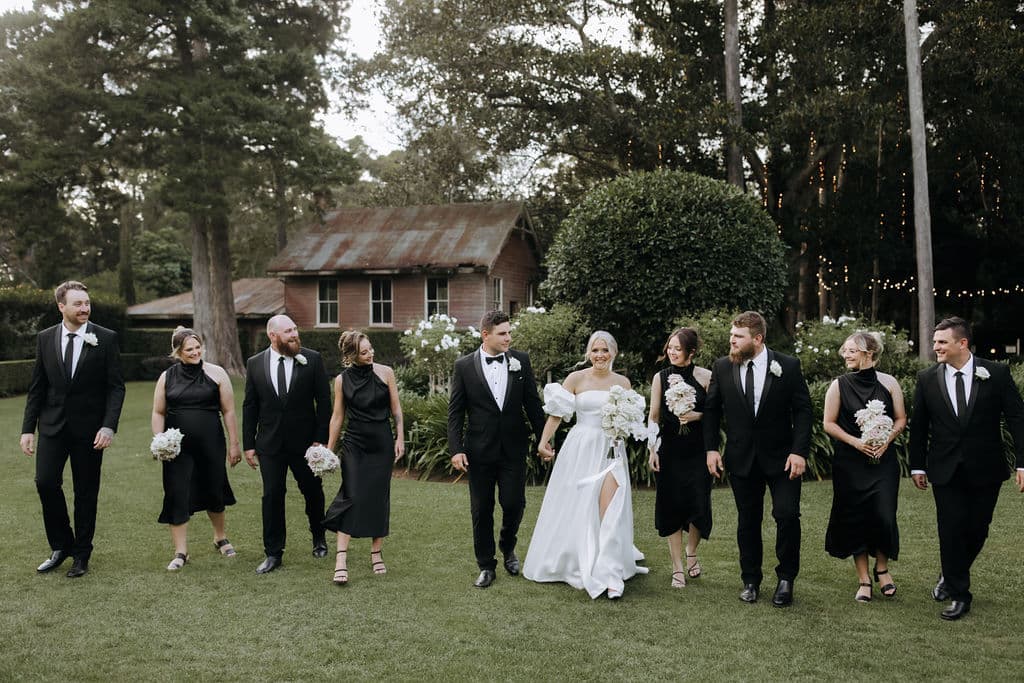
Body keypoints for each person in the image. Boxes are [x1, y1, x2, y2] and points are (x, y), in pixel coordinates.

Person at [909, 317, 1024, 620]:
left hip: (987, 466)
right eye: (935, 342)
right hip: (945, 468)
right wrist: (917, 465)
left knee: (978, 528)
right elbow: (919, 426)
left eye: (942, 342)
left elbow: (1017, 418)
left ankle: (949, 573)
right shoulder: (927, 378)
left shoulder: (996, 373)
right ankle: (960, 594)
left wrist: (1023, 462)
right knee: (950, 529)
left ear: (963, 343)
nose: (936, 348)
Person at [524, 331, 650, 599]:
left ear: (614, 352)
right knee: (577, 505)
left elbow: (633, 421)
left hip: (611, 450)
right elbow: (558, 414)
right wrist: (543, 442)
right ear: (588, 353)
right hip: (580, 448)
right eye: (595, 350)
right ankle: (575, 558)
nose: (600, 355)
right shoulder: (576, 378)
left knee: (610, 507)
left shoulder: (623, 382)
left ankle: (610, 571)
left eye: (605, 350)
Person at [704, 310, 812, 607]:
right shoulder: (723, 367)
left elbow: (803, 410)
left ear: (758, 338)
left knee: (787, 515)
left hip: (783, 458)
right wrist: (711, 448)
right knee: (747, 521)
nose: (732, 341)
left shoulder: (787, 366)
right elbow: (712, 410)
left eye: (738, 337)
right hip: (741, 458)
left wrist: (799, 451)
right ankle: (750, 580)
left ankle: (786, 579)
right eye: (732, 335)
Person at [20, 280, 125, 578]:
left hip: (90, 431)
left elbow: (116, 388)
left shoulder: (105, 338)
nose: (84, 308)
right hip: (52, 427)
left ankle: (81, 554)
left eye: (87, 303)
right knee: (45, 482)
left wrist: (108, 426)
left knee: (85, 492)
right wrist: (28, 429)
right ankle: (61, 544)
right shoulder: (45, 338)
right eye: (77, 304)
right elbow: (37, 388)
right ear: (61, 306)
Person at [448, 310, 546, 588]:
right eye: (503, 333)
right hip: (478, 451)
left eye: (509, 333)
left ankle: (508, 545)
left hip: (513, 448)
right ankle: (486, 565)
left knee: (514, 503)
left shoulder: (520, 361)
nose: (508, 338)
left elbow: (533, 406)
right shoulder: (464, 366)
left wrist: (543, 440)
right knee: (481, 509)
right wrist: (456, 449)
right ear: (485, 334)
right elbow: (455, 413)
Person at [243, 314, 332, 574]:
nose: (295, 335)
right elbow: (250, 405)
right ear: (273, 335)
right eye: (288, 331)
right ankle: (273, 553)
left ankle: (319, 537)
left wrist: (320, 439)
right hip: (269, 444)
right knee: (272, 495)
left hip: (306, 444)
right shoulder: (255, 363)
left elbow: (324, 402)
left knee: (313, 492)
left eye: (295, 329)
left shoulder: (312, 359)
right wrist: (249, 444)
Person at [822, 331, 906, 602]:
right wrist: (856, 443)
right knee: (856, 516)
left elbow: (900, 419)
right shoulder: (839, 385)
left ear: (869, 353)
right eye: (844, 350)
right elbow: (829, 423)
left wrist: (886, 440)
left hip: (884, 461)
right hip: (850, 464)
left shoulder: (889, 383)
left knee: (884, 513)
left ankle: (882, 568)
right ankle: (864, 579)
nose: (845, 355)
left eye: (851, 350)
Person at [151, 327, 242, 571]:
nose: (195, 352)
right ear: (178, 352)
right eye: (189, 349)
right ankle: (181, 551)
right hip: (177, 449)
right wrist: (159, 441)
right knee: (177, 493)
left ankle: (220, 537)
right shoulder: (167, 377)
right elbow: (158, 412)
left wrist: (234, 444)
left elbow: (229, 411)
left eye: (197, 347)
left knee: (214, 487)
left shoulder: (217, 373)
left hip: (211, 442)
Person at [323, 331, 405, 585]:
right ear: (351, 356)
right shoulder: (341, 380)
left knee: (378, 498)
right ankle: (341, 558)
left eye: (370, 349)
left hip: (381, 443)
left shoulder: (386, 373)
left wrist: (400, 438)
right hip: (355, 445)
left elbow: (396, 409)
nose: (370, 354)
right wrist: (329, 449)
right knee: (352, 496)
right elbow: (337, 417)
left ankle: (376, 553)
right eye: (364, 352)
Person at [647, 327, 713, 589]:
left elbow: (717, 413)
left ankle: (692, 552)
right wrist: (652, 449)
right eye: (670, 348)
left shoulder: (706, 376)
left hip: (698, 451)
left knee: (699, 504)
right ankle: (677, 567)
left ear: (691, 352)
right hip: (670, 450)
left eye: (678, 348)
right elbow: (654, 415)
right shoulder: (660, 377)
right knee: (671, 506)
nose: (672, 353)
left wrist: (697, 415)